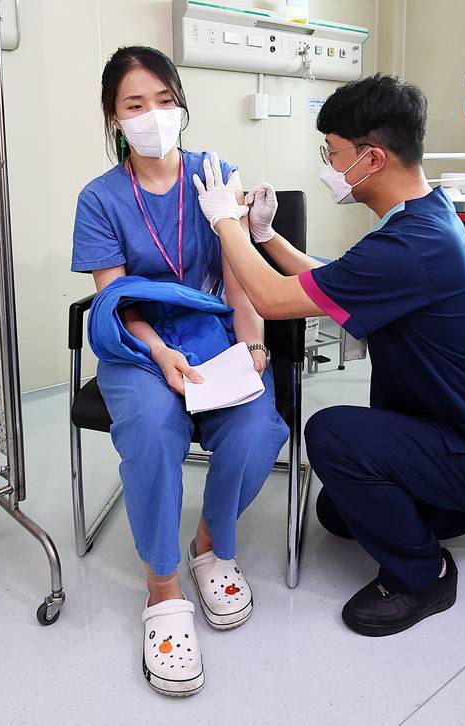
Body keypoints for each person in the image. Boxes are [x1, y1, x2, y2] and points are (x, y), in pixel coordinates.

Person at [192, 74, 465, 637]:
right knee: (337, 514)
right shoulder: (422, 217)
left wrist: (225, 222)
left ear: (371, 158)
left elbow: (276, 301)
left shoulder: (412, 245)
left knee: (331, 436)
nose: (326, 163)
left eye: (332, 152)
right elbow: (334, 282)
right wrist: (266, 235)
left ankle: (423, 576)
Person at [71, 46, 288, 696]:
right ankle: (162, 589)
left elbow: (239, 274)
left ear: (182, 105)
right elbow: (115, 297)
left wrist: (249, 346)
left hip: (214, 333)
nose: (153, 116)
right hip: (140, 340)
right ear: (114, 117)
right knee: (152, 427)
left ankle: (206, 545)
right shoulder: (100, 199)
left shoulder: (213, 174)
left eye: (164, 101)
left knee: (256, 427)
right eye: (135, 105)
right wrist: (156, 352)